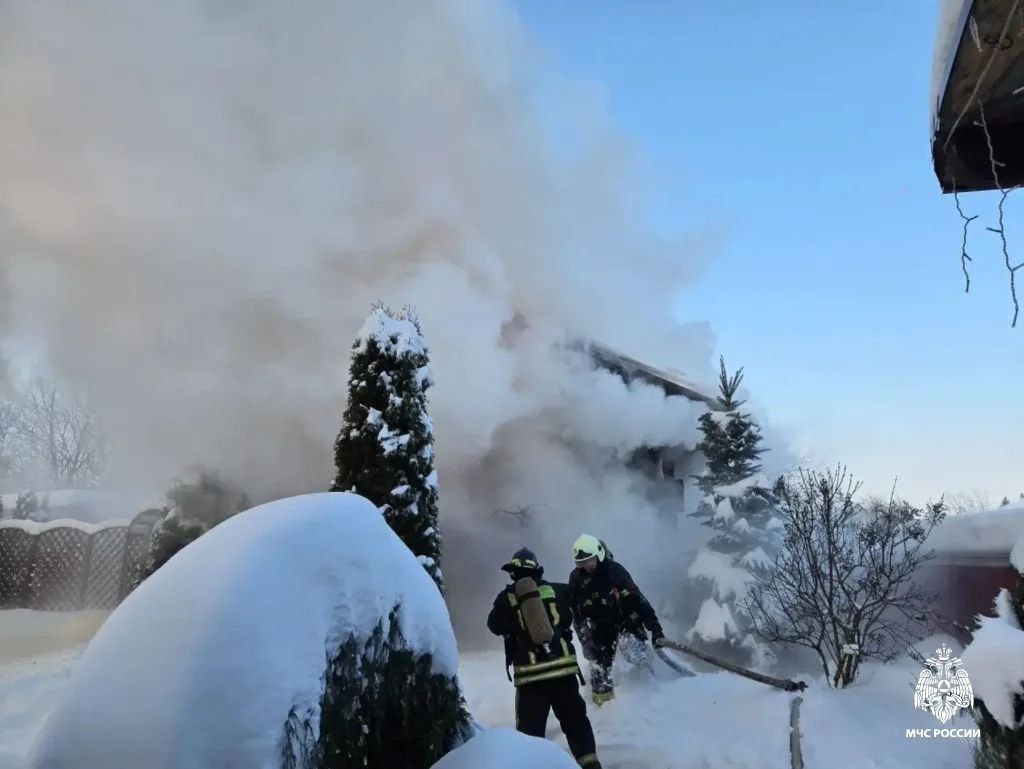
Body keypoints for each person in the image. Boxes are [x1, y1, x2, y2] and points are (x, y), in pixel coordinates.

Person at [487, 547, 602, 769]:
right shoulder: (556, 590)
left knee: (530, 734)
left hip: (531, 678)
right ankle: (590, 764)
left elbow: (494, 625)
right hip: (563, 671)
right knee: (576, 723)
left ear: (513, 572)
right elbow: (568, 617)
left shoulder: (506, 598)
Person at [568, 533, 665, 705]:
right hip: (601, 625)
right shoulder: (576, 579)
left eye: (590, 561)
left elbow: (639, 601)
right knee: (597, 664)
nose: (586, 566)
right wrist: (586, 641)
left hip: (626, 619)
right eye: (581, 563)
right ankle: (604, 706)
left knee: (632, 649)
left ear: (599, 555)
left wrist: (656, 629)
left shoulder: (615, 572)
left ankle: (650, 689)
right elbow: (577, 615)